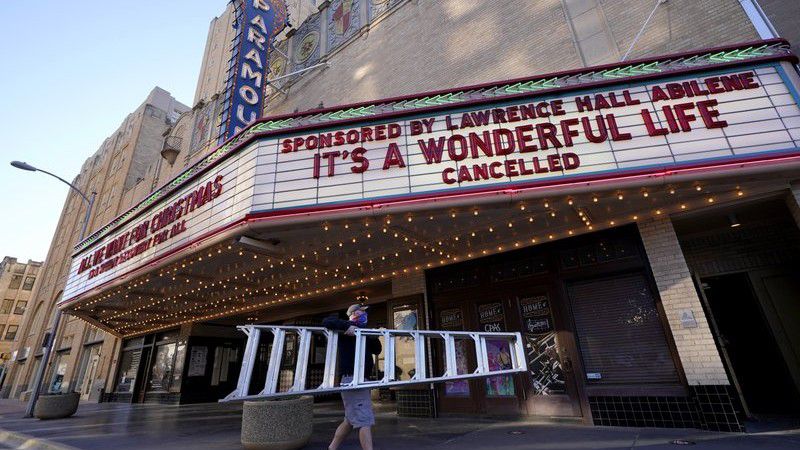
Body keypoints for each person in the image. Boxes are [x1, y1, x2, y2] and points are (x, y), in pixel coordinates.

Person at [323, 304, 382, 450]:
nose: (365, 315)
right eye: (362, 312)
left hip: (363, 379)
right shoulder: (346, 327)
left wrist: (374, 335)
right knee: (364, 420)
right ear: (354, 312)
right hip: (352, 379)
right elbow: (326, 321)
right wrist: (346, 326)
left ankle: (332, 448)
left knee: (349, 420)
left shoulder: (364, 330)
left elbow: (377, 350)